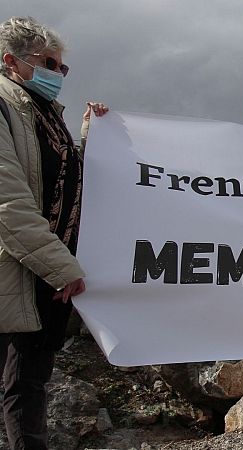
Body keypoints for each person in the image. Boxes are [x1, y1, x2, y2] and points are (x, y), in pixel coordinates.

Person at [0, 16, 108, 448]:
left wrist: (95, 135)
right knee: (21, 390)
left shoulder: (46, 114)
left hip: (49, 276)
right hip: (20, 271)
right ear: (12, 61)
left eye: (62, 67)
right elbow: (8, 201)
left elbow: (68, 182)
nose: (57, 74)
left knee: (29, 386)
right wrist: (60, 266)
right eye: (49, 63)